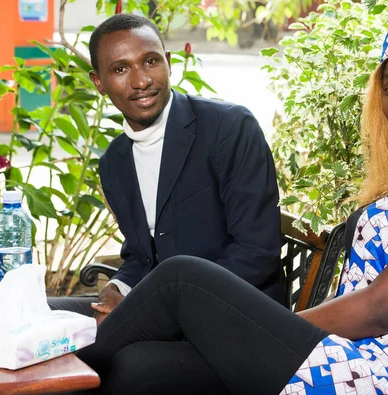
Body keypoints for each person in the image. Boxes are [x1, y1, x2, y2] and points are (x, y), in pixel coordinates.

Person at [75, 16, 388, 395]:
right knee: (137, 370)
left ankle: (45, 373)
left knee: (180, 278)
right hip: (345, 355)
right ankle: (51, 372)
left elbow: (385, 305)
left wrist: (282, 328)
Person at [50, 14, 285, 320]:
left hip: (237, 319)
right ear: (99, 83)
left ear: (169, 63)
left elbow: (257, 252)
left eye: (150, 62)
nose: (141, 81)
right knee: (40, 316)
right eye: (120, 69)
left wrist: (162, 307)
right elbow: (141, 255)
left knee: (113, 357)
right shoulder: (115, 162)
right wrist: (118, 288)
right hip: (167, 315)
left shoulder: (228, 128)